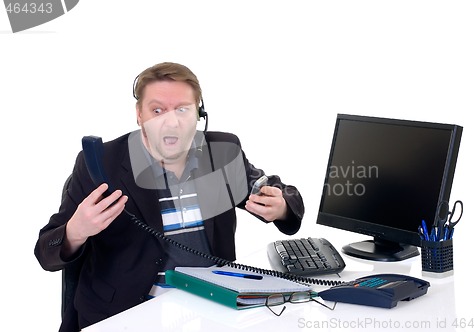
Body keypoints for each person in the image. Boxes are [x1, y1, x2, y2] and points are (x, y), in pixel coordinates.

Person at [34, 62, 304, 331]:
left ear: (199, 113)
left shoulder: (221, 152)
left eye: (182, 109)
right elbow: (45, 252)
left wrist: (281, 206)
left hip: (211, 311)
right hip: (125, 314)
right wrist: (75, 231)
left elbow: (280, 190)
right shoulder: (102, 162)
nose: (170, 121)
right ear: (139, 114)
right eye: (157, 110)